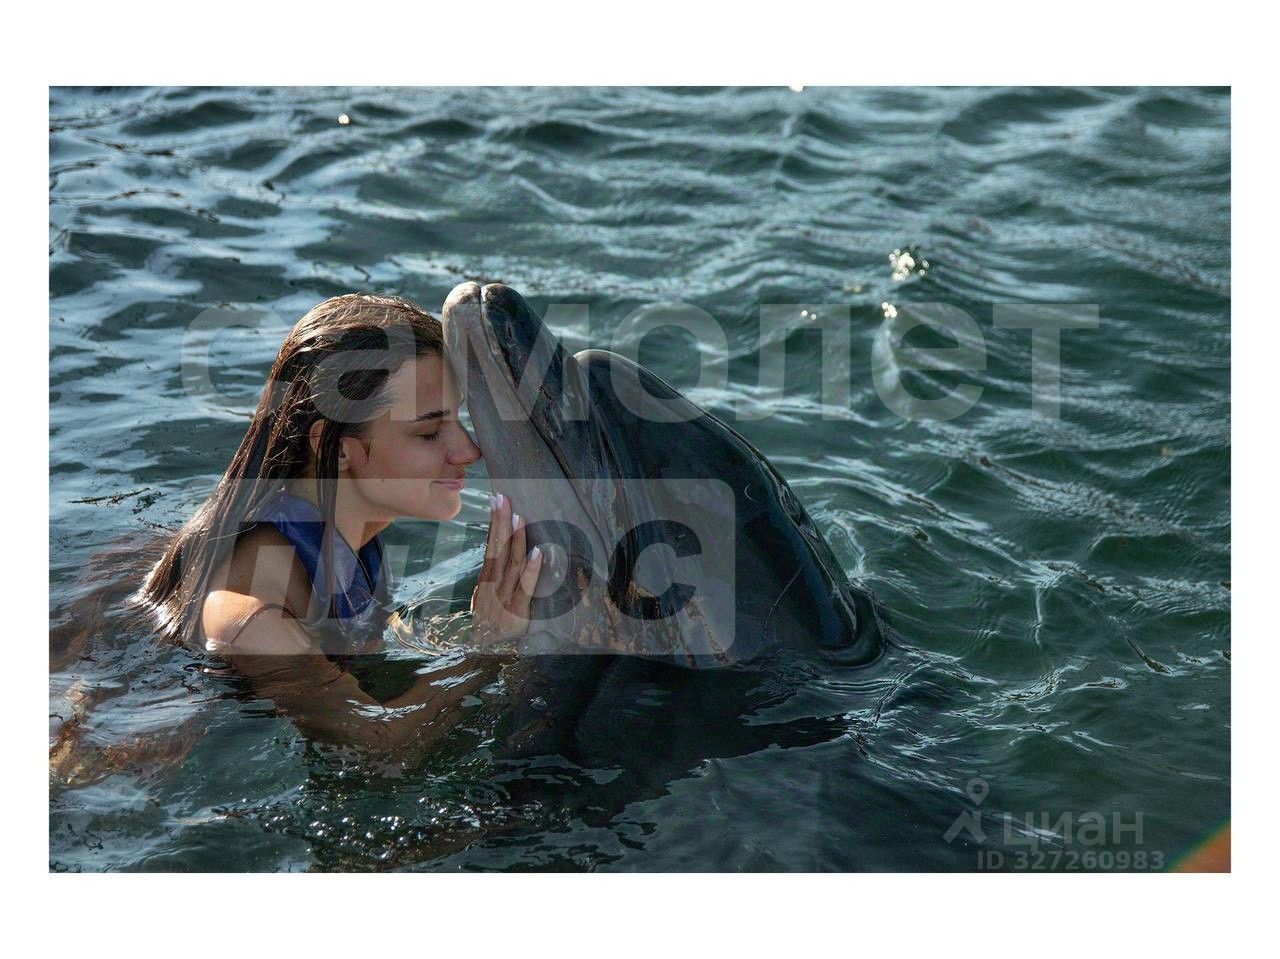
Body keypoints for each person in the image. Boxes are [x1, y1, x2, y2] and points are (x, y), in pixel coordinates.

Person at [131, 292, 544, 756]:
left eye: (457, 419)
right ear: (338, 448)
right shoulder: (252, 616)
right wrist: (487, 646)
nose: (469, 451)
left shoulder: (351, 537)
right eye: (429, 433)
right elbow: (375, 748)